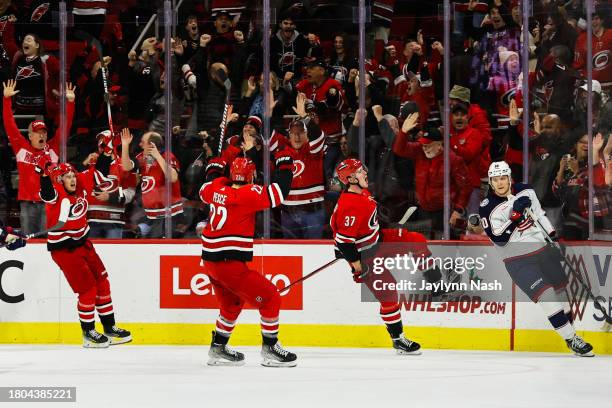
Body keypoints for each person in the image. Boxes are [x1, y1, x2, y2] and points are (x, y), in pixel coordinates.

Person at [479, 161, 594, 357]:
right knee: (547, 295)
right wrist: (514, 216)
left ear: (510, 178)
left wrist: (553, 238)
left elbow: (539, 215)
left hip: (543, 251)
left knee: (562, 295)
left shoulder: (525, 191)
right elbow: (499, 239)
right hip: (517, 260)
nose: (499, 183)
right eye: (495, 180)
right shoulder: (487, 207)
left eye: (503, 178)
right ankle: (572, 338)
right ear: (490, 182)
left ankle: (569, 332)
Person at [199, 152, 298, 367]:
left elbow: (204, 186)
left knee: (232, 303)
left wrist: (215, 167)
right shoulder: (247, 194)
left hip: (210, 261)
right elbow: (278, 193)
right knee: (271, 298)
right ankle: (270, 348)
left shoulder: (216, 187)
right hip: (229, 263)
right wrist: (285, 165)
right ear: (252, 176)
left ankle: (218, 348)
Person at [331, 158, 427, 354]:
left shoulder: (361, 193)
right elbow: (343, 240)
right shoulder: (350, 205)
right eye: (359, 171)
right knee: (389, 294)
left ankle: (433, 278)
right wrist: (357, 265)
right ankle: (398, 339)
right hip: (366, 256)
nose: (365, 172)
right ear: (350, 178)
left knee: (415, 239)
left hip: (379, 240)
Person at [36, 152, 131, 348]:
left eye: (72, 175)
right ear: (59, 180)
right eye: (67, 177)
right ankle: (88, 332)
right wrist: (44, 174)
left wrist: (105, 153)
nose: (72, 179)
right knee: (88, 289)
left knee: (102, 282)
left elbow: (98, 171)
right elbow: (46, 192)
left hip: (84, 243)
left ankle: (109, 327)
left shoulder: (80, 185)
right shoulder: (55, 192)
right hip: (64, 249)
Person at [3, 79, 75, 235]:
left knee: (46, 242)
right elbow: (9, 124)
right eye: (38, 133)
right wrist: (6, 99)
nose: (42, 135)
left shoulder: (53, 148)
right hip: (27, 204)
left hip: (48, 203)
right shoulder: (21, 147)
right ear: (30, 135)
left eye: (44, 133)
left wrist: (70, 103)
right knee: (28, 242)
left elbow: (65, 127)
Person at [120, 129, 184, 238]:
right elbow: (126, 167)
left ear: (151, 145)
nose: (140, 145)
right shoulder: (142, 157)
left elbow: (173, 177)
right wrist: (125, 145)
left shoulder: (168, 156)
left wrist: (157, 156)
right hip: (151, 214)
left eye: (143, 142)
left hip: (169, 213)